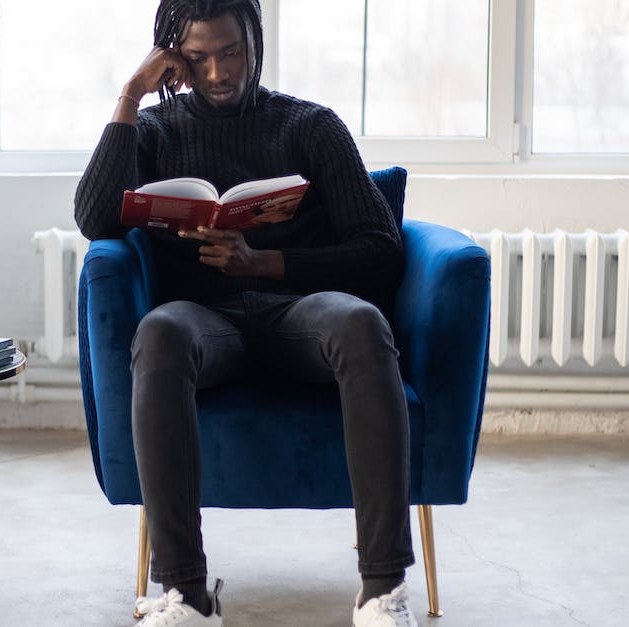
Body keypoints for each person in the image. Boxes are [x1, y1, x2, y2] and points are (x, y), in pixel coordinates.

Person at [73, 1, 416, 625]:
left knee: (362, 323)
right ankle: (185, 594)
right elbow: (94, 221)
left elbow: (381, 251)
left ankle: (382, 590)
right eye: (197, 59)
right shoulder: (155, 133)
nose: (218, 73)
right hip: (209, 326)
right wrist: (128, 98)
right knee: (160, 331)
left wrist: (264, 265)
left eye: (230, 52)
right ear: (172, 58)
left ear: (255, 41)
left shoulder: (310, 126)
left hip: (299, 317)